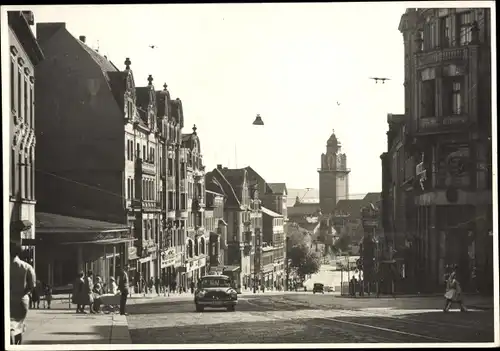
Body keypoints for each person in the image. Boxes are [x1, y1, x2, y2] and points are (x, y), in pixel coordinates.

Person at [10, 238, 36, 345]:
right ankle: (16, 339)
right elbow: (32, 285)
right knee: (17, 324)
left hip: (8, 299)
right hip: (21, 300)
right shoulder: (27, 267)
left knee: (10, 324)